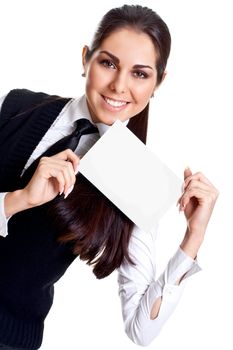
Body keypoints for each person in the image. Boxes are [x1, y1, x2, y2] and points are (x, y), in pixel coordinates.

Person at [0, 4, 219, 350]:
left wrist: (194, 236)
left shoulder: (138, 182)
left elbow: (140, 329)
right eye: (108, 63)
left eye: (140, 74)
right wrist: (18, 200)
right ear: (86, 59)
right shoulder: (14, 106)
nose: (119, 86)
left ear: (159, 82)